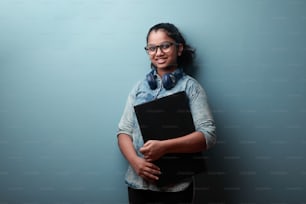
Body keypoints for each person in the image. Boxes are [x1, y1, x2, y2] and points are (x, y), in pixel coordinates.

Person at [117, 22, 216, 204]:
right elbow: (123, 131)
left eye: (165, 46)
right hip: (137, 184)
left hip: (176, 187)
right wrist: (135, 162)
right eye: (152, 48)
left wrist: (164, 147)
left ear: (179, 49)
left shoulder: (191, 88)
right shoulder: (139, 88)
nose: (159, 52)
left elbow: (208, 136)